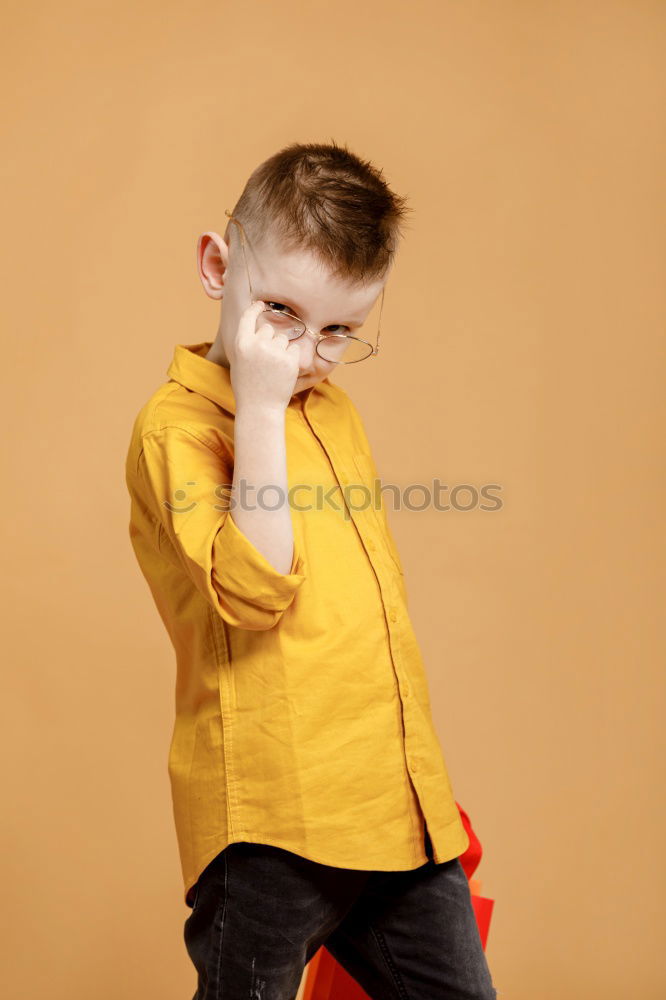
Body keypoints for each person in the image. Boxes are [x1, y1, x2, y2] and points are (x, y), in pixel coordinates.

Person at [124, 140, 497, 1000]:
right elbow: (254, 590)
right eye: (281, 314)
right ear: (219, 266)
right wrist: (255, 405)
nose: (300, 355)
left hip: (393, 816)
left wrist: (420, 784)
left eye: (336, 333)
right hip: (275, 821)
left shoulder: (333, 411)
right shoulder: (177, 431)